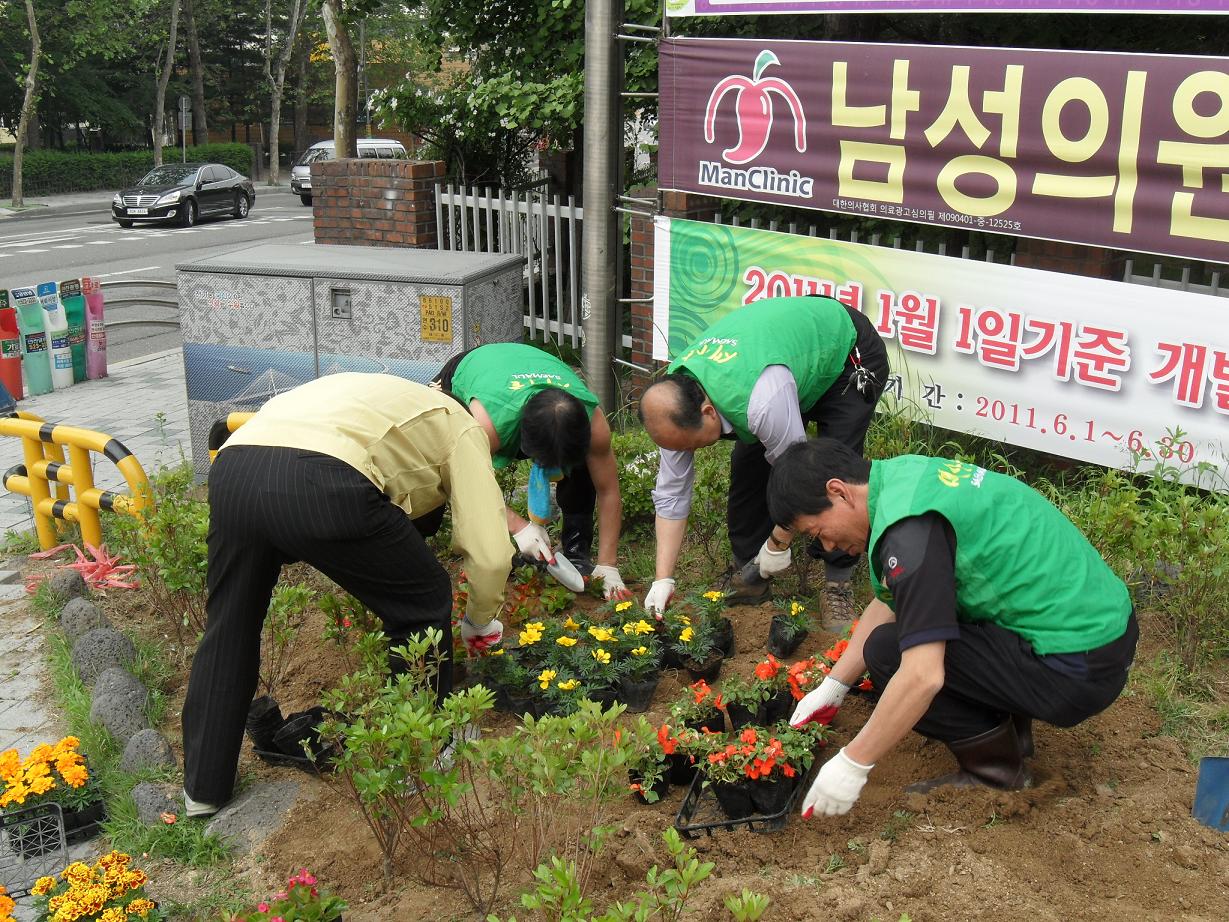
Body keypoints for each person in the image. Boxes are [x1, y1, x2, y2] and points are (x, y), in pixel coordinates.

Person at [182, 374, 511, 818]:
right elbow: (490, 555)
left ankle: (203, 790)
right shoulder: (459, 423)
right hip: (322, 479)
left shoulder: (375, 395)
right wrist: (480, 618)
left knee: (231, 622)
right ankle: (423, 754)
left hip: (235, 468)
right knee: (423, 602)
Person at [770, 439, 1138, 817]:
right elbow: (894, 600)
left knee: (888, 653)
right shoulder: (902, 479)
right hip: (1102, 632)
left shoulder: (908, 533)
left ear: (838, 491)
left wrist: (854, 762)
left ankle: (997, 773)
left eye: (818, 533)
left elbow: (923, 676)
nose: (829, 545)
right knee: (924, 618)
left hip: (1076, 669)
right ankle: (1015, 735)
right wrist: (834, 685)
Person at [637, 295, 888, 625]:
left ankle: (837, 584)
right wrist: (662, 578)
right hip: (780, 363)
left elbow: (801, 477)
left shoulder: (762, 401)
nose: (686, 453)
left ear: (708, 412)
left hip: (846, 353)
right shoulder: (671, 408)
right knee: (748, 467)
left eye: (690, 447)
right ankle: (749, 575)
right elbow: (672, 494)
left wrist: (777, 544)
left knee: (834, 474)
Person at [433, 342, 630, 600]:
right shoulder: (486, 425)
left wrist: (608, 564)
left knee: (582, 469)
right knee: (434, 463)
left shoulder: (593, 424)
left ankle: (575, 551)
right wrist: (519, 527)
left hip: (524, 365)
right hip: (472, 368)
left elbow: (608, 491)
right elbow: (461, 481)